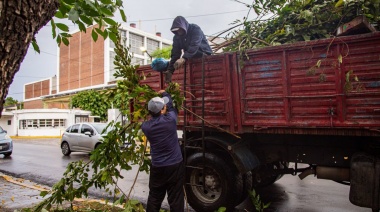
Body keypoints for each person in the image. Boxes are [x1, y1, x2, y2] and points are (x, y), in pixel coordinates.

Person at [141, 90, 184, 212]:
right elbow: (171, 106)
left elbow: (165, 109)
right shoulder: (170, 120)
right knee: (176, 198)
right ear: (162, 110)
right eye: (163, 106)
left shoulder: (146, 127)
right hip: (174, 165)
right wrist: (165, 93)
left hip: (158, 167)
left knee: (154, 197)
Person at [165, 16, 213, 83]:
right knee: (178, 58)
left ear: (183, 26)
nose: (178, 32)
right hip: (190, 56)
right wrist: (170, 70)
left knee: (191, 52)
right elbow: (175, 54)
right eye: (176, 30)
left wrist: (183, 58)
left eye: (179, 29)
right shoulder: (177, 37)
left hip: (203, 53)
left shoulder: (195, 29)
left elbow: (194, 45)